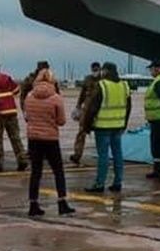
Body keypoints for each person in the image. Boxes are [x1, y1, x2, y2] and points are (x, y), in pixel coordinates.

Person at [24, 66, 76, 216]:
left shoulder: (29, 96)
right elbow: (61, 121)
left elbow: (27, 117)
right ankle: (62, 202)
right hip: (50, 138)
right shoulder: (56, 98)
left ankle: (33, 205)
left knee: (36, 172)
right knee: (58, 171)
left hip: (33, 139)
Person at [82, 62, 131, 192]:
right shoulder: (124, 85)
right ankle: (118, 182)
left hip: (103, 126)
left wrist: (86, 126)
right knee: (117, 154)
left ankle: (99, 184)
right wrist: (124, 123)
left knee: (103, 155)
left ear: (106, 71)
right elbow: (128, 107)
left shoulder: (102, 85)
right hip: (118, 126)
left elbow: (92, 108)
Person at [0, 61, 29, 172]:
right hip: (11, 111)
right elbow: (16, 90)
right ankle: (22, 160)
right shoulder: (6, 77)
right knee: (15, 137)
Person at [69, 62, 102, 166]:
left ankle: (102, 155)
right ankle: (77, 155)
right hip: (87, 110)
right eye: (93, 70)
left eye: (96, 70)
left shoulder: (103, 81)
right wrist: (78, 105)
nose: (95, 72)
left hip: (98, 110)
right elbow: (82, 93)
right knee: (81, 133)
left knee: (100, 134)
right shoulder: (87, 79)